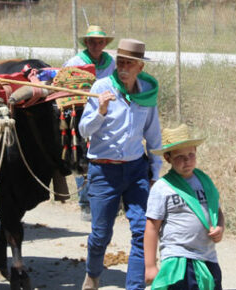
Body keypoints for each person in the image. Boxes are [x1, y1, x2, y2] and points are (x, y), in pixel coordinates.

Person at [79, 38, 163, 290]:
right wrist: (100, 111)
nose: (123, 68)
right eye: (121, 62)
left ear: (140, 67)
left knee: (142, 231)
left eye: (129, 64)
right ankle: (92, 275)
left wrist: (155, 173)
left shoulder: (147, 92)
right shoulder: (102, 87)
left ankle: (135, 287)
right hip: (104, 170)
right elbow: (84, 130)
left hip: (136, 169)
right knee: (101, 234)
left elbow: (153, 135)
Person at [144, 124, 224, 290]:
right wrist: (150, 266)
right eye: (180, 156)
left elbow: (217, 211)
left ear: (196, 151)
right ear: (168, 158)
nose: (187, 160)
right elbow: (151, 228)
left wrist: (220, 227)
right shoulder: (162, 187)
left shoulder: (205, 182)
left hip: (207, 257)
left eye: (191, 154)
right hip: (178, 259)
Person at [64, 25, 116, 220]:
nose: (96, 45)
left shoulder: (110, 63)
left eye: (100, 42)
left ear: (105, 44)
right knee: (83, 156)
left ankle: (108, 197)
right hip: (81, 113)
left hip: (107, 113)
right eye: (92, 42)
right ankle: (85, 202)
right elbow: (63, 86)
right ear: (86, 43)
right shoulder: (74, 62)